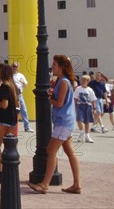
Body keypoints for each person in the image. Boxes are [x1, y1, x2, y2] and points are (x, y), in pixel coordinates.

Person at [28, 54, 81, 195]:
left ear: (62, 67)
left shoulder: (63, 82)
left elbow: (59, 103)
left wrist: (48, 97)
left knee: (51, 150)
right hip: (65, 121)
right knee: (70, 152)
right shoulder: (62, 81)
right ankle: (77, 184)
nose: (52, 67)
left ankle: (45, 184)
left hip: (63, 122)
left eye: (55, 64)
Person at [12, 62, 34, 132]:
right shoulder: (9, 75)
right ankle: (11, 127)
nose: (14, 68)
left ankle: (27, 127)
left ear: (18, 67)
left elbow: (25, 84)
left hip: (19, 94)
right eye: (13, 66)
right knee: (11, 111)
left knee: (23, 110)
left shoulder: (21, 75)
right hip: (11, 95)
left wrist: (23, 83)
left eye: (16, 66)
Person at [74, 74, 96, 143]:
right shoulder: (78, 88)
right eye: (82, 80)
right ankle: (82, 132)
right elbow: (75, 98)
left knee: (87, 121)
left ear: (88, 81)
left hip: (88, 106)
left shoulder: (90, 90)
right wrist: (74, 106)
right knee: (79, 120)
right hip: (80, 106)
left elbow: (93, 99)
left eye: (85, 80)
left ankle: (87, 136)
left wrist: (94, 108)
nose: (83, 81)